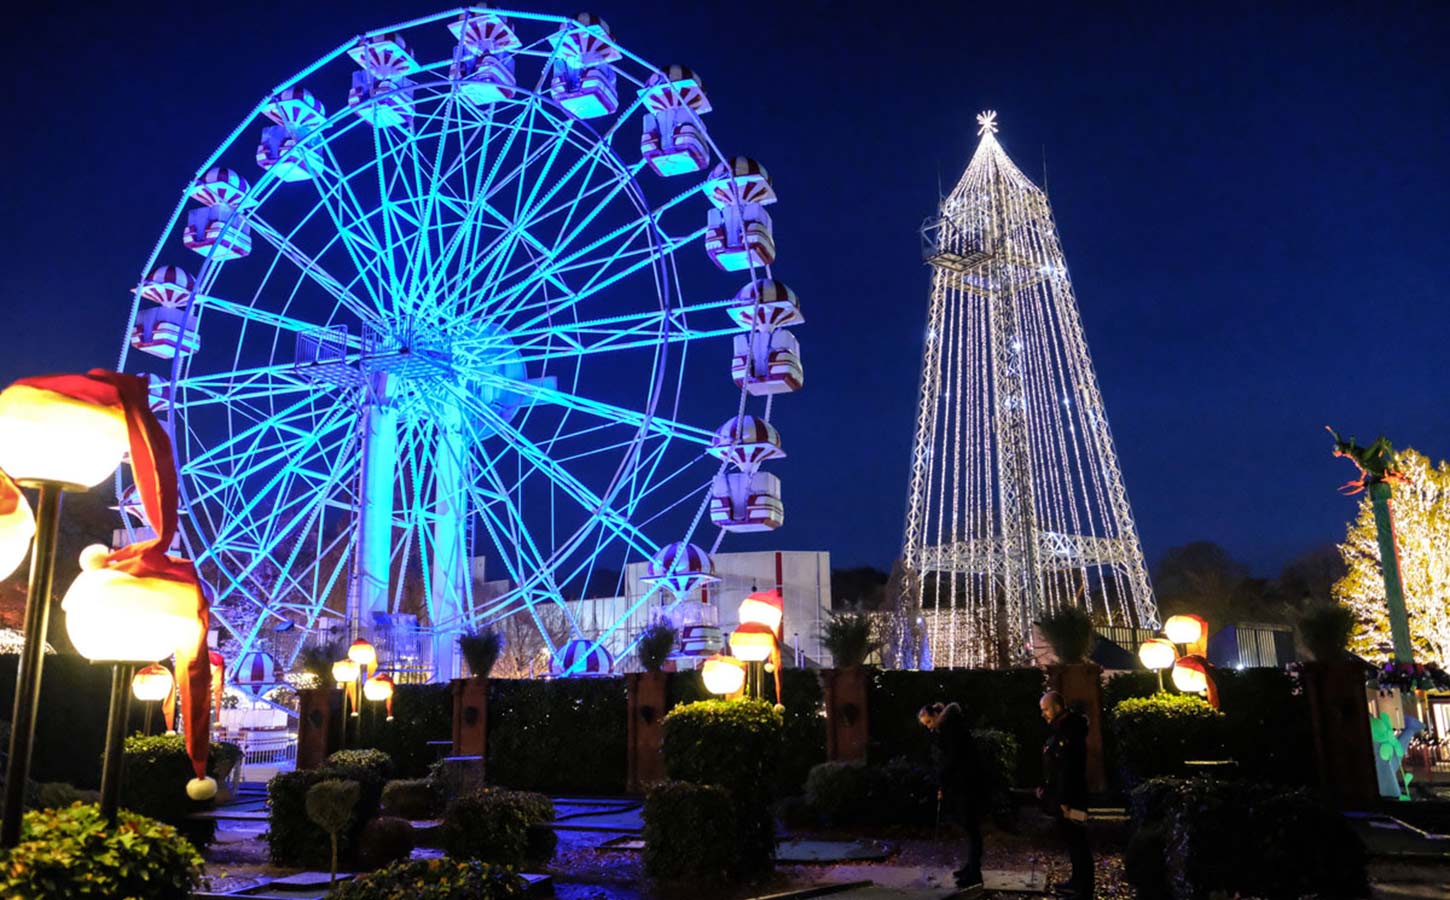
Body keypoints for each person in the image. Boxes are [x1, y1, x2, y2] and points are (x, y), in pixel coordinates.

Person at [919, 701, 985, 892]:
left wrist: (943, 782)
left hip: (967, 787)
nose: (930, 727)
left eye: (930, 722)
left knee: (972, 829)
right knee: (969, 829)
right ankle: (970, 868)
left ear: (938, 716)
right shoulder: (949, 728)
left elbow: (952, 761)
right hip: (963, 787)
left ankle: (974, 873)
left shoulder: (951, 730)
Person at [1037, 691, 1093, 898]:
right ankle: (1078, 882)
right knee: (1073, 841)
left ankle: (1083, 888)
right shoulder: (1062, 729)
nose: (1043, 714)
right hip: (1065, 795)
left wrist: (1064, 800)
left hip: (1071, 797)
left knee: (1078, 841)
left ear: (1058, 707)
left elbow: (1068, 769)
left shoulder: (1069, 732)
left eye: (1046, 709)